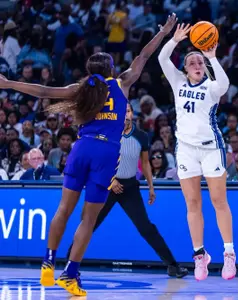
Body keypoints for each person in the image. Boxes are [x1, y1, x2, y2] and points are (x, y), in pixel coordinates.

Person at [0, 14, 177, 296]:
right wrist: (165, 32)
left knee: (63, 210)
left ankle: (48, 261)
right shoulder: (122, 83)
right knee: (88, 219)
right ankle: (70, 273)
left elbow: (43, 90)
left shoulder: (79, 90)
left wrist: (8, 84)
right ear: (110, 69)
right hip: (106, 152)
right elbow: (145, 54)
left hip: (81, 149)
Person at [66, 104, 188, 278]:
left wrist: (151, 186)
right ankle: (70, 263)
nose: (125, 115)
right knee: (89, 224)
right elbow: (99, 162)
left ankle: (172, 265)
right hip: (106, 186)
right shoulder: (107, 134)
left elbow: (145, 163)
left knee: (146, 227)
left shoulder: (141, 136)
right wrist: (110, 180)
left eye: (128, 111)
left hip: (130, 187)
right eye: (122, 112)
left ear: (132, 114)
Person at [158, 23, 235, 281]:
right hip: (186, 150)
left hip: (212, 149)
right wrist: (175, 40)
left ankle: (228, 253)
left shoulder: (212, 85)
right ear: (185, 68)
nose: (196, 64)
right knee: (192, 203)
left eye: (200, 61)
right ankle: (200, 255)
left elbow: (224, 85)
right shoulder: (177, 81)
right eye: (192, 61)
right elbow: (161, 58)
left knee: (218, 201)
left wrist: (212, 57)